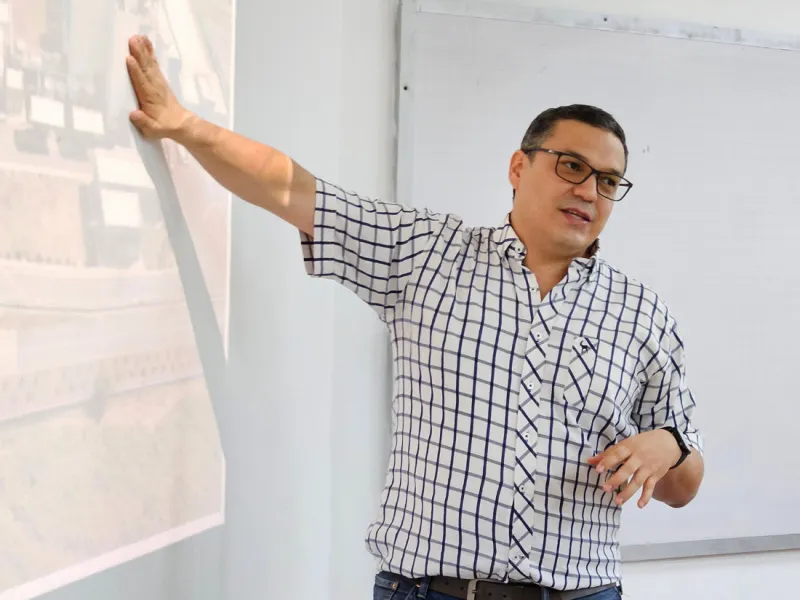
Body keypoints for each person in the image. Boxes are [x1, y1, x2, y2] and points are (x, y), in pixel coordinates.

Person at [125, 34, 704, 600]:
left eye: (608, 181)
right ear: (518, 167)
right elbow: (293, 191)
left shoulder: (641, 314)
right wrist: (184, 125)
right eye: (572, 166)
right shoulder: (429, 254)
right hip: (429, 591)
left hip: (582, 592)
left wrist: (670, 447)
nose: (589, 191)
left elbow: (684, 485)